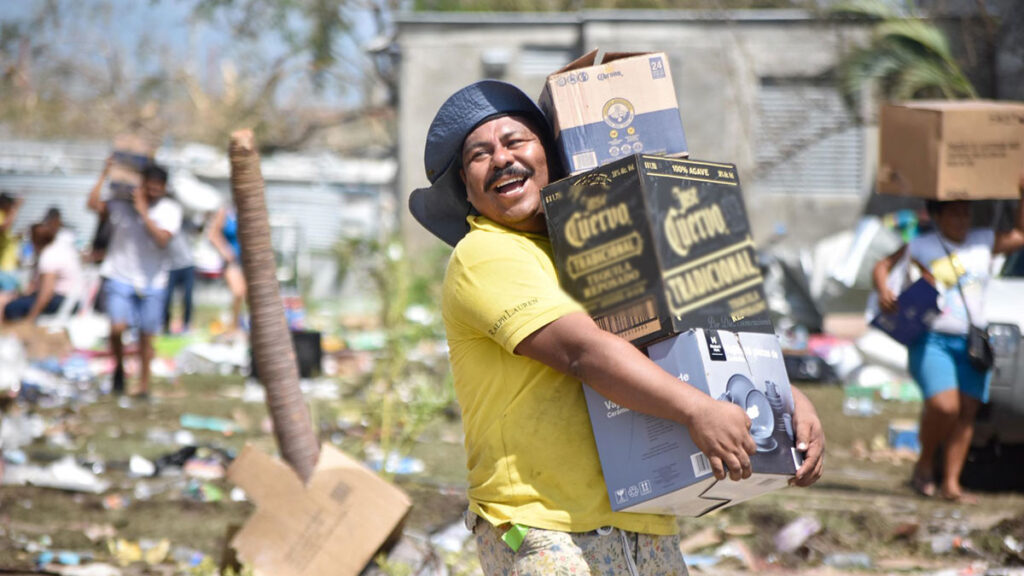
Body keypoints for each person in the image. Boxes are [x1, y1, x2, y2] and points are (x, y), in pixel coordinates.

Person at [408, 80, 825, 575]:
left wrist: (780, 398)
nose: (501, 158)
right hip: (543, 528)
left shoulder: (597, 249)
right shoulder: (486, 254)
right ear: (466, 185)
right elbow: (584, 352)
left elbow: (690, 336)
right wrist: (697, 410)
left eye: (515, 141)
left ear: (550, 156)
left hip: (645, 516)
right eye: (480, 154)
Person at [873, 182, 1024, 504]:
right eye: (955, 213)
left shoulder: (982, 242)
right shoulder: (922, 245)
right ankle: (926, 462)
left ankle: (951, 484)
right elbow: (882, 266)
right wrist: (884, 290)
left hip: (973, 342)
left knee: (967, 412)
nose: (962, 220)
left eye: (966, 213)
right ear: (938, 216)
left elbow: (1019, 236)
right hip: (932, 338)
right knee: (945, 406)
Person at [87, 159, 182, 397]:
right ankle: (119, 369)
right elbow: (92, 205)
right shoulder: (120, 205)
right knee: (117, 328)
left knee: (146, 336)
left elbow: (162, 240)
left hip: (153, 281)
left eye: (157, 187)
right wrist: (104, 174)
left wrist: (143, 213)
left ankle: (144, 385)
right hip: (119, 276)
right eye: (149, 186)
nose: (153, 191)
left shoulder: (170, 210)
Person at [1, 220, 83, 324]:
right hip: (72, 299)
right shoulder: (58, 248)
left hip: (62, 300)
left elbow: (46, 294)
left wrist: (30, 319)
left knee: (11, 308)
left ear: (35, 239)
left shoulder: (48, 256)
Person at [207, 204, 246, 333]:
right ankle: (233, 327)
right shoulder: (225, 212)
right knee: (238, 292)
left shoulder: (250, 211)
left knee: (247, 295)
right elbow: (212, 234)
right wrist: (225, 251)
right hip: (232, 261)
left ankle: (241, 326)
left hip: (247, 262)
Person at [163, 214, 197, 334]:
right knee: (166, 298)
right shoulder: (163, 219)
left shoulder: (185, 219)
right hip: (169, 265)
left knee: (188, 297)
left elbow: (198, 230)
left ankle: (187, 325)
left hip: (187, 264)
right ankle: (165, 326)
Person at [0, 192, 24, 293]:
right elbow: (4, 227)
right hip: (4, 267)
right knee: (7, 298)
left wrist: (16, 238)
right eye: (11, 204)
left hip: (9, 266)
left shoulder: (4, 216)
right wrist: (16, 208)